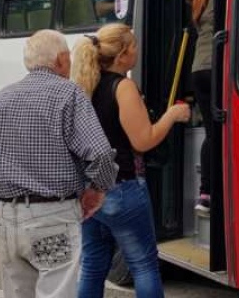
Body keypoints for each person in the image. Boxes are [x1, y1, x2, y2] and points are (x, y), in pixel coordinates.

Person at [0, 29, 117, 298]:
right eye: (68, 57)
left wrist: (8, 199)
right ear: (61, 60)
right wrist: (97, 190)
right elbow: (102, 154)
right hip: (53, 219)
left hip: (6, 221)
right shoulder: (69, 95)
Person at [71, 24, 192, 298]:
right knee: (144, 265)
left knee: (92, 265)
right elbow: (143, 140)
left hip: (88, 191)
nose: (138, 50)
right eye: (134, 45)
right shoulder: (123, 86)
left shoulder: (85, 84)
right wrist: (172, 115)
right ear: (122, 55)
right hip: (121, 188)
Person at [189, 0, 216, 213]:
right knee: (221, 133)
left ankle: (205, 193)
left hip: (199, 68)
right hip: (216, 68)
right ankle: (213, 187)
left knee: (211, 132)